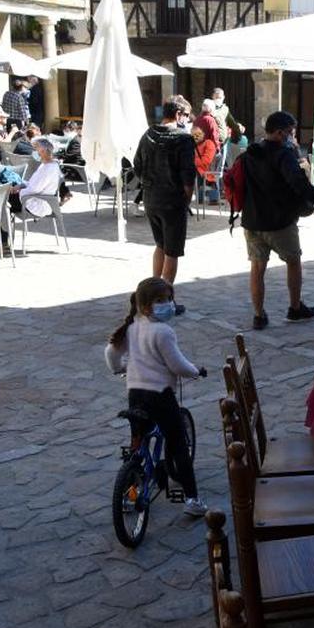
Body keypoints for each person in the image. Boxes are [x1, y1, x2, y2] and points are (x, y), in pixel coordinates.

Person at [105, 277, 209, 517]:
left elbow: (111, 352)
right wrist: (195, 371)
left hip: (135, 395)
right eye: (161, 300)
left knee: (138, 444)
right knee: (179, 445)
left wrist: (119, 368)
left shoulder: (131, 328)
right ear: (145, 306)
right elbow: (177, 365)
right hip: (160, 396)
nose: (168, 304)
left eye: (170, 299)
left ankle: (130, 493)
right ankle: (192, 499)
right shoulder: (163, 331)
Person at [240, 110, 314, 330]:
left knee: (257, 268)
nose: (293, 136)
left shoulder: (250, 153)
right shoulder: (284, 155)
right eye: (291, 132)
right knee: (293, 262)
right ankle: (294, 308)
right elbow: (299, 184)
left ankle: (258, 315)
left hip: (252, 220)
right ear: (281, 133)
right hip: (279, 221)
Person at [134, 96, 197, 295]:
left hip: (151, 198)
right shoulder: (183, 138)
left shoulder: (148, 134)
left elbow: (137, 167)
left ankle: (153, 293)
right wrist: (187, 198)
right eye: (186, 115)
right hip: (172, 200)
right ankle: (164, 297)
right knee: (172, 251)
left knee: (160, 245)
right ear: (178, 114)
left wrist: (149, 184)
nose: (187, 119)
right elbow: (188, 175)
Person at [7, 137, 62, 219]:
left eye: (35, 148)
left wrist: (19, 190)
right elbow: (33, 184)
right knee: (9, 190)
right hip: (34, 198)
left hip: (36, 204)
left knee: (3, 200)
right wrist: (20, 185)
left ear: (43, 151)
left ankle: (4, 230)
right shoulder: (46, 165)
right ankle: (5, 228)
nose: (34, 151)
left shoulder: (48, 168)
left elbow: (34, 189)